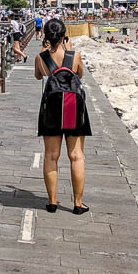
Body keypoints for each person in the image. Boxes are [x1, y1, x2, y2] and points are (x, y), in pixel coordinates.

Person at [34, 18, 91, 215]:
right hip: (73, 107)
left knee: (51, 155)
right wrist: (69, 50)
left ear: (46, 36)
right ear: (64, 35)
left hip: (52, 107)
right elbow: (80, 75)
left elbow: (38, 76)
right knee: (76, 156)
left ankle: (52, 201)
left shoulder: (41, 58)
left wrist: (46, 50)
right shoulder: (74, 56)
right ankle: (77, 203)